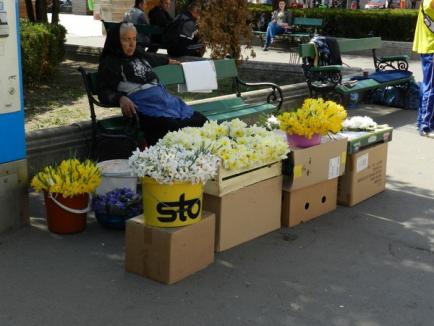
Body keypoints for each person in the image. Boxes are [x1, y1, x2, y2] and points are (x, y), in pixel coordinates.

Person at [97, 22, 207, 146]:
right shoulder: (110, 63)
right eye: (127, 40)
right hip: (145, 108)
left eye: (134, 39)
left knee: (201, 120)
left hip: (164, 100)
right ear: (117, 41)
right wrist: (120, 98)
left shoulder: (138, 54)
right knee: (173, 128)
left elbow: (152, 58)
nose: (132, 44)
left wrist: (169, 61)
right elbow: (103, 92)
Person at [413, 0, 434, 138]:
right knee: (430, 88)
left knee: (427, 86)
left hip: (427, 48)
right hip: (431, 49)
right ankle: (426, 126)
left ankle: (421, 121)